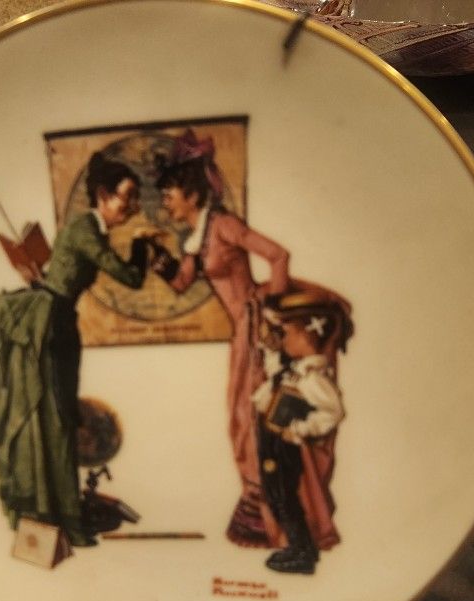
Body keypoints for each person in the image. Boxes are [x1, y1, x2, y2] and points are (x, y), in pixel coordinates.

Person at [150, 129, 352, 550]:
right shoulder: (196, 238)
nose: (164, 200)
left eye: (169, 192)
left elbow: (278, 256)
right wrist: (155, 257)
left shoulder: (224, 225)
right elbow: (182, 283)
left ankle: (275, 507)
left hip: (256, 324)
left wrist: (273, 314)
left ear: (191, 192)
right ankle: (262, 501)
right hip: (243, 329)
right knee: (242, 418)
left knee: (254, 416)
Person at [0, 152, 147, 547]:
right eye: (127, 197)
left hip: (59, 319)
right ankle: (61, 515)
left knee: (61, 416)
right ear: (103, 195)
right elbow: (131, 278)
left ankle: (60, 510)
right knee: (56, 418)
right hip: (49, 322)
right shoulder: (85, 229)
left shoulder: (90, 230)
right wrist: (140, 246)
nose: (133, 206)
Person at [252, 293, 347, 573]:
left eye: (288, 333)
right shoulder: (292, 370)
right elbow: (274, 376)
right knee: (275, 496)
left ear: (308, 335)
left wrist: (300, 429)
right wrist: (270, 351)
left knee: (285, 498)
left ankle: (302, 552)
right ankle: (298, 548)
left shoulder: (312, 377)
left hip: (284, 445)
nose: (283, 339)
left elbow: (332, 412)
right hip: (269, 440)